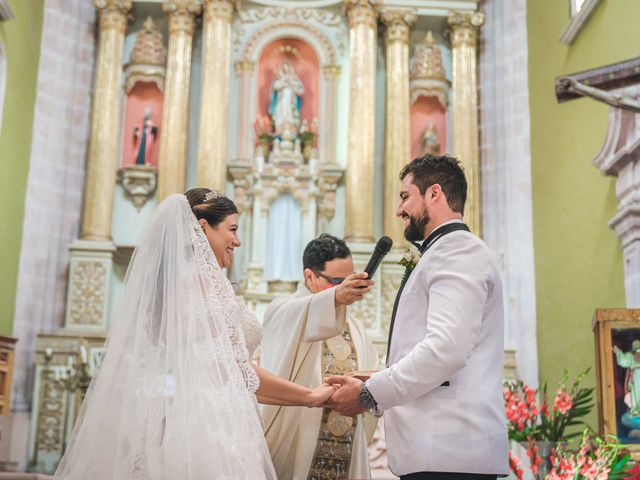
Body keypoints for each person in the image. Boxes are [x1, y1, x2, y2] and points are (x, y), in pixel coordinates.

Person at [54, 188, 336, 480]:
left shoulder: (184, 283)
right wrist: (310, 395)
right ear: (203, 228)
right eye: (233, 229)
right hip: (214, 426)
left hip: (198, 417)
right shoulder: (204, 285)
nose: (237, 241)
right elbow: (239, 372)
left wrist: (309, 396)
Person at [327, 154, 509, 480]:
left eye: (405, 196)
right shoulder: (442, 252)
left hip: (449, 455)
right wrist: (367, 381)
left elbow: (445, 349)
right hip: (439, 453)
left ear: (434, 194)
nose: (399, 210)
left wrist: (368, 395)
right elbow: (429, 350)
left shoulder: (457, 250)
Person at [260, 234, 379, 480]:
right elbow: (293, 316)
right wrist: (334, 297)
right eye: (337, 281)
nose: (347, 288)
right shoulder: (284, 312)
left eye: (350, 280)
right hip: (299, 444)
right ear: (309, 276)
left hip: (347, 446)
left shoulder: (355, 327)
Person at [269, 60, 304, 133]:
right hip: (281, 99)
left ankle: (292, 130)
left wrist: (292, 84)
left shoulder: (294, 79)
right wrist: (283, 83)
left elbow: (301, 91)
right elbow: (275, 86)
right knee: (281, 112)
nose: (286, 69)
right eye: (284, 67)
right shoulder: (280, 79)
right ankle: (279, 130)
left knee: (290, 113)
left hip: (291, 100)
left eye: (287, 67)